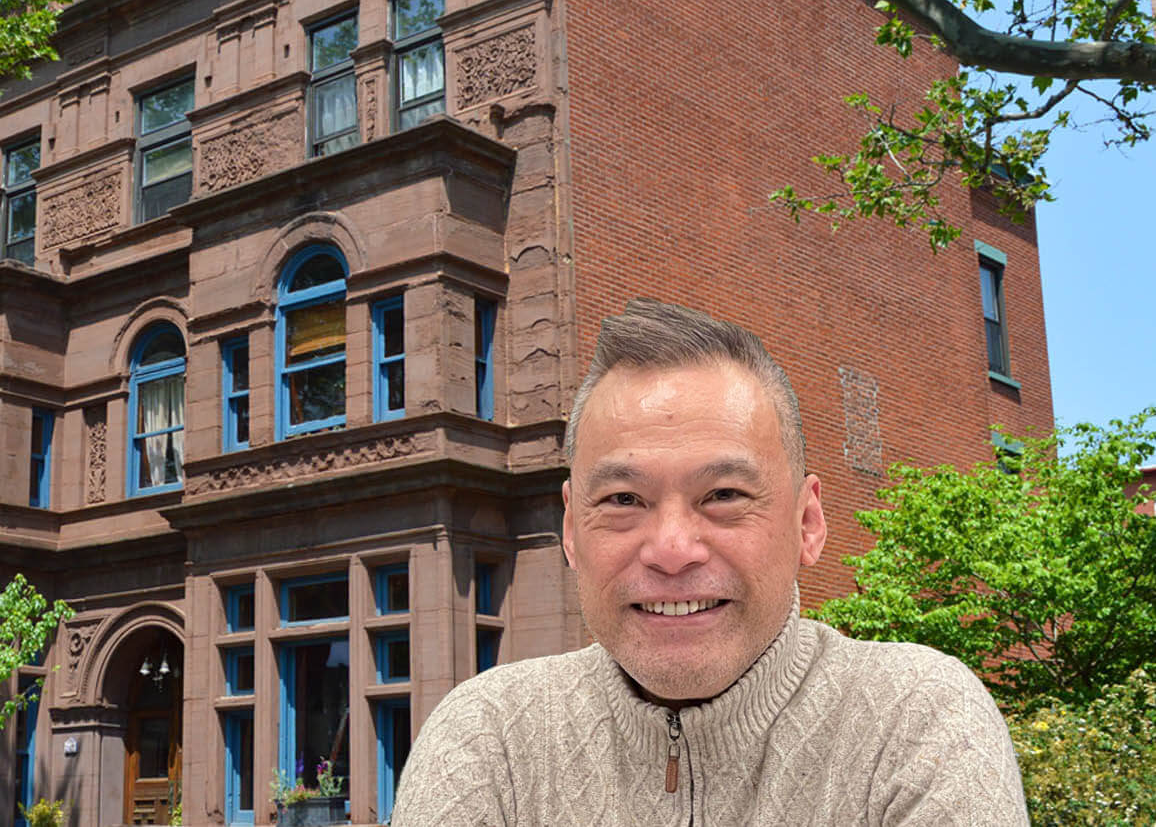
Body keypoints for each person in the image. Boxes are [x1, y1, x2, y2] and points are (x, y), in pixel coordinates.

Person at [391, 299, 1028, 826]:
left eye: (723, 495)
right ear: (570, 531)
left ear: (807, 523)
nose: (671, 549)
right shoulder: (488, 740)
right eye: (622, 499)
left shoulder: (914, 721)